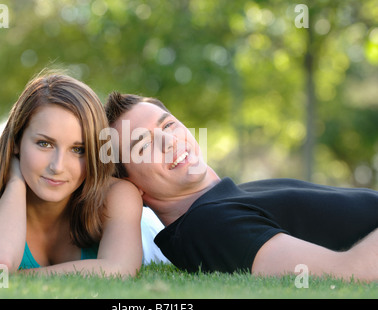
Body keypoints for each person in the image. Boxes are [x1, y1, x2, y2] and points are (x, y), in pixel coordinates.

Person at [104, 92, 378, 282]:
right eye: (143, 145)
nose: (169, 141)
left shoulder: (235, 196)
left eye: (169, 125)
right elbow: (353, 272)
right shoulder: (208, 225)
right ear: (130, 185)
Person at [0, 72, 167, 278]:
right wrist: (15, 182)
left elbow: (120, 269)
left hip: (148, 230)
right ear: (16, 142)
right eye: (44, 144)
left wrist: (18, 278)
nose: (58, 166)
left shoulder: (116, 194)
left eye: (78, 149)